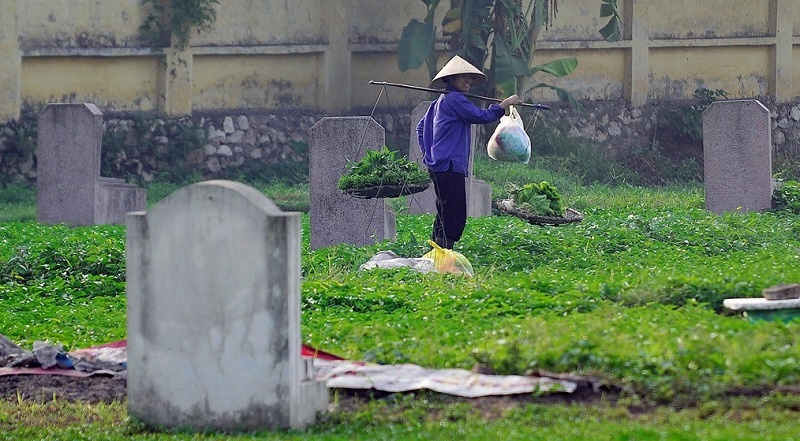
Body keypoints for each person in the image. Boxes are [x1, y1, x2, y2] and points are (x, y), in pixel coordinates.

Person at [416, 55, 523, 250]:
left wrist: (428, 154)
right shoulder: (455, 100)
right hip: (450, 165)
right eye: (462, 77)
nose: (468, 81)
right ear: (450, 79)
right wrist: (504, 104)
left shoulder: (439, 102)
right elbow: (480, 116)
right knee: (455, 213)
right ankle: (444, 254)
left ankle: (436, 251)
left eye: (470, 78)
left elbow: (420, 128)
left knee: (445, 211)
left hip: (439, 164)